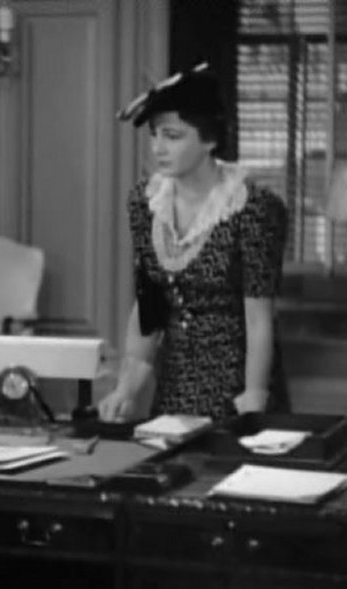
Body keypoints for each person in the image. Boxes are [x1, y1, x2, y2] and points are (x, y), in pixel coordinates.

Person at [98, 63, 289, 423]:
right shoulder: (146, 202)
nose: (158, 148)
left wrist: (254, 399)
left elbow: (259, 318)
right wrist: (126, 389)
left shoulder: (254, 207)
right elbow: (149, 306)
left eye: (172, 136)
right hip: (175, 387)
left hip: (238, 385)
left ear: (209, 140)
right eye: (154, 135)